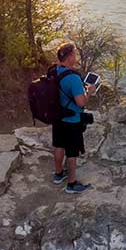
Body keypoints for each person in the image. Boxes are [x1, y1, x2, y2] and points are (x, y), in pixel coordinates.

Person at [49, 41, 97, 194]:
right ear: (69, 57)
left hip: (57, 116)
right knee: (72, 152)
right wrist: (89, 92)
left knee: (58, 145)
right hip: (71, 119)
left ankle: (58, 174)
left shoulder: (54, 70)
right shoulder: (73, 78)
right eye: (74, 54)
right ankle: (72, 184)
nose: (75, 57)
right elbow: (81, 102)